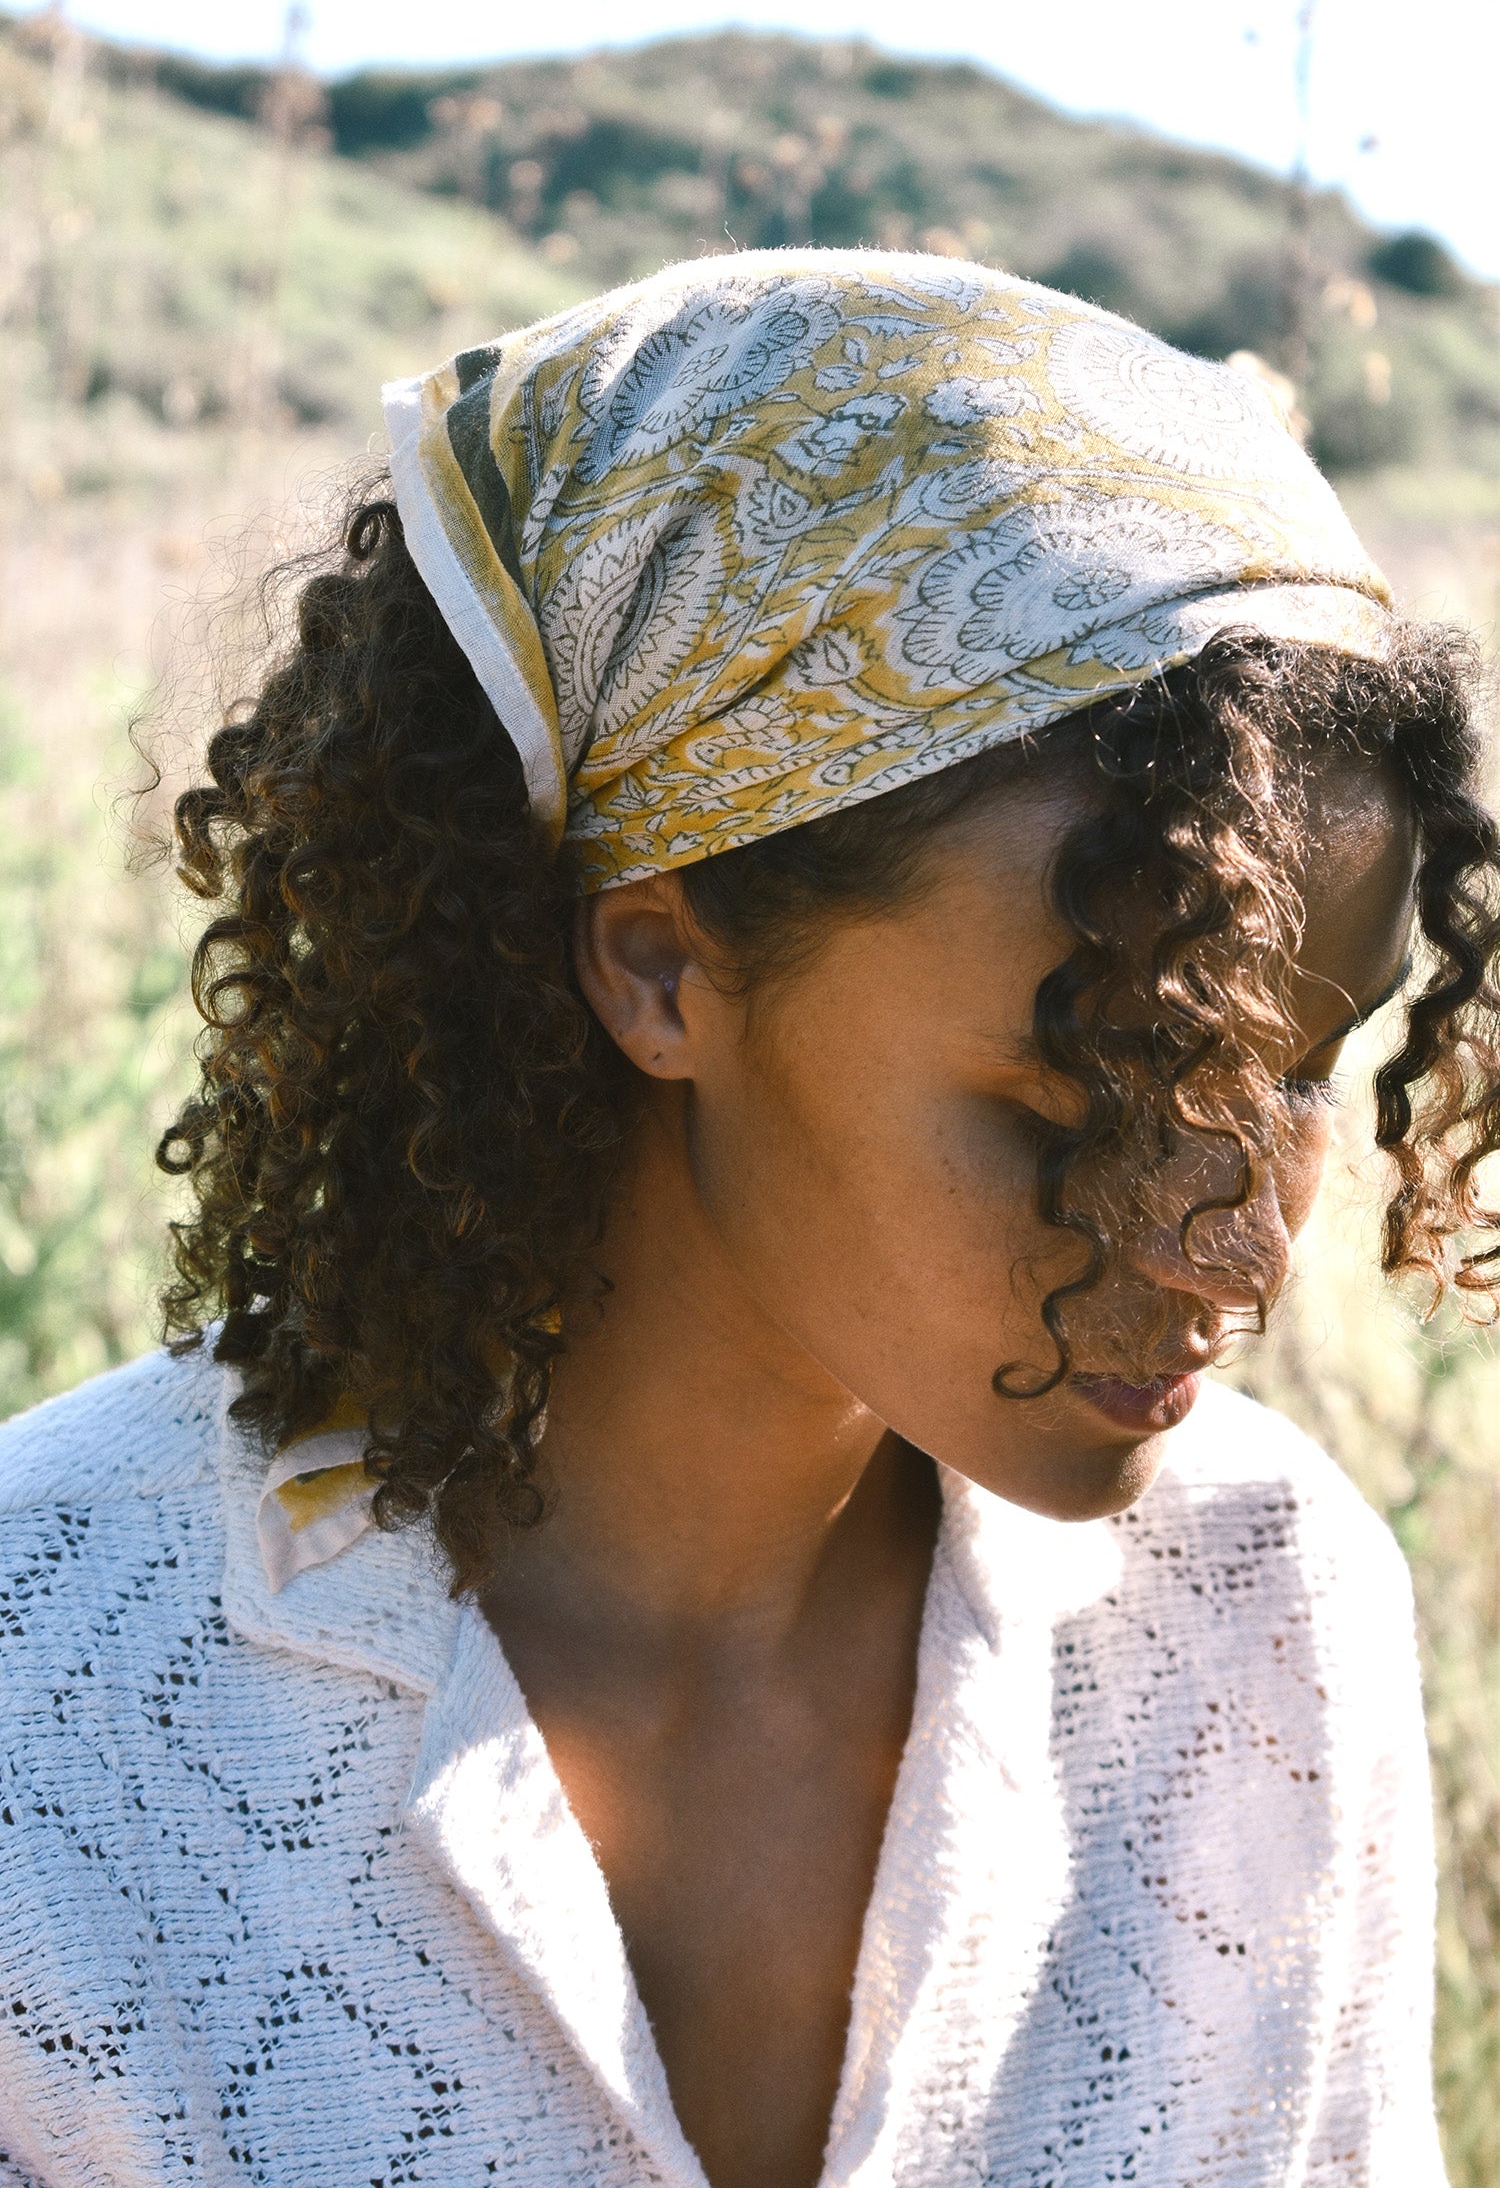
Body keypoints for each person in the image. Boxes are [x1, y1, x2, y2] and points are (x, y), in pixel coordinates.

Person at [0, 251, 1496, 2188]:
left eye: (1299, 1074)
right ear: (661, 968)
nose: (1236, 1245)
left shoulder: (1270, 1606)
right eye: (1069, 1106)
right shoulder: (47, 1701)